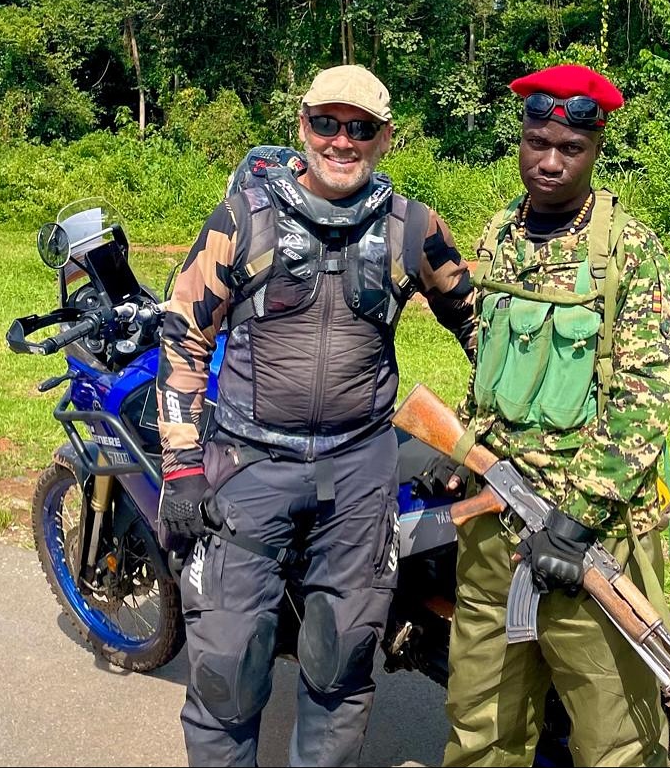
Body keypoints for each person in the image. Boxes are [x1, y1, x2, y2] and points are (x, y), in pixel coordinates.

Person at [156, 64, 475, 768]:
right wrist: (181, 466)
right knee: (227, 671)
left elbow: (482, 326)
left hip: (359, 474)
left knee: (341, 665)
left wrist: (493, 432)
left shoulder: (414, 228)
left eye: (360, 127)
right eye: (327, 123)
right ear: (302, 126)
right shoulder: (245, 217)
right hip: (246, 467)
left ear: (386, 137)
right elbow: (183, 332)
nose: (342, 140)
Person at [442, 64, 670, 768]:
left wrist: (575, 518)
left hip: (589, 544)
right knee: (481, 726)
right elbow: (490, 365)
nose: (548, 160)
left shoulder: (627, 251)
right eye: (536, 140)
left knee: (615, 741)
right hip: (493, 528)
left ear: (595, 147)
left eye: (568, 147)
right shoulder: (497, 237)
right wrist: (462, 443)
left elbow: (646, 394)